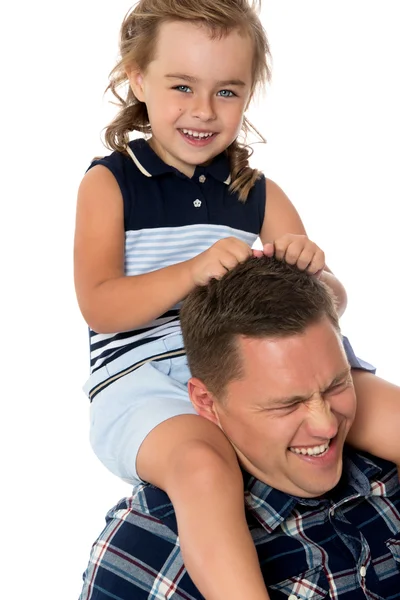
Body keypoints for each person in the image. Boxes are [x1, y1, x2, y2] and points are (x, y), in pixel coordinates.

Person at [74, 1, 398, 598]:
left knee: (393, 414)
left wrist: (314, 274)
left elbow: (326, 304)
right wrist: (191, 271)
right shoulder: (111, 182)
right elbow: (100, 306)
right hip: (146, 376)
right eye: (182, 87)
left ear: (250, 94)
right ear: (137, 80)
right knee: (203, 469)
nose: (203, 110)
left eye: (227, 91)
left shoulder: (259, 192)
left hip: (266, 368)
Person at [78, 256, 400, 599]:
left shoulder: (386, 470)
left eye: (336, 385)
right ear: (206, 402)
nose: (326, 425)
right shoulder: (152, 553)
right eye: (286, 404)